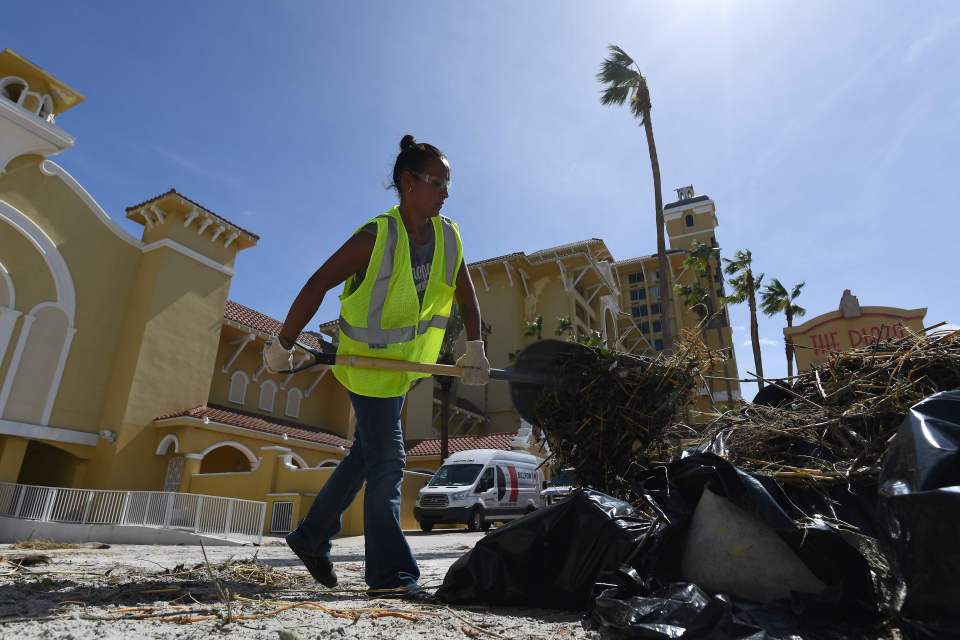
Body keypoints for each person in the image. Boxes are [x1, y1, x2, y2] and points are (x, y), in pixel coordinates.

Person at [262, 134, 489, 600]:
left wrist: (477, 346)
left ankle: (310, 536)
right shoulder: (377, 235)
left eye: (449, 184)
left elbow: (465, 293)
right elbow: (319, 281)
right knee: (389, 461)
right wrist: (281, 342)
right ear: (408, 182)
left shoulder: (449, 235)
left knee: (366, 456)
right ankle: (390, 574)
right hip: (367, 371)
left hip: (403, 370)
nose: (445, 192)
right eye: (437, 182)